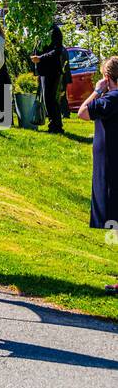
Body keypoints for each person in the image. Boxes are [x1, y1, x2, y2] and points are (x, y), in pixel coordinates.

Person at [78, 57, 118, 292]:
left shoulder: (110, 100)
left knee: (114, 222)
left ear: (107, 77)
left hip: (112, 168)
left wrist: (96, 91)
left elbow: (82, 113)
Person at [31, 24, 68, 134]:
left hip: (52, 70)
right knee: (48, 99)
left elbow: (57, 51)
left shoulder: (54, 30)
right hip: (44, 71)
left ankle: (56, 126)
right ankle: (54, 124)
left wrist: (40, 58)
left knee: (50, 99)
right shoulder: (41, 30)